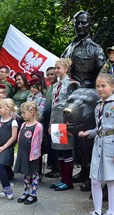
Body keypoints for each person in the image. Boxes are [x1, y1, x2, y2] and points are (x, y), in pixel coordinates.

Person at [79, 74, 114, 215]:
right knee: (95, 180)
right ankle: (97, 211)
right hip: (99, 144)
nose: (100, 89)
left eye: (103, 86)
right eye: (98, 86)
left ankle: (111, 213)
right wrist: (89, 133)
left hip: (112, 147)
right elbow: (100, 128)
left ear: (112, 86)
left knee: (110, 180)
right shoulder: (99, 105)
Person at [61, 10, 105, 88]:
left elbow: (102, 76)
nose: (80, 26)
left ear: (89, 25)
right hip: (66, 91)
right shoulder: (68, 49)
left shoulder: (97, 50)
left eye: (83, 23)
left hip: (87, 93)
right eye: (77, 23)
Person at [49, 58, 74, 191]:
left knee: (66, 150)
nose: (56, 70)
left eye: (58, 68)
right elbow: (54, 106)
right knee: (59, 150)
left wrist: (70, 124)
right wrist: (50, 124)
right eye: (55, 67)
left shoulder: (72, 84)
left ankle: (68, 181)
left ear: (66, 69)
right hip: (56, 119)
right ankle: (62, 179)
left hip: (65, 119)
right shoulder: (55, 86)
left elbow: (74, 106)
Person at [14, 102, 43, 205]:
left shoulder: (38, 126)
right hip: (23, 153)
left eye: (24, 112)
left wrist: (35, 153)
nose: (22, 115)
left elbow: (38, 141)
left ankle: (33, 194)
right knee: (26, 173)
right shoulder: (23, 124)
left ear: (31, 112)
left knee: (34, 174)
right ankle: (26, 191)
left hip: (32, 155)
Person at [0, 98, 18, 200]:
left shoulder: (13, 122)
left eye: (0, 107)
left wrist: (4, 147)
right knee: (3, 168)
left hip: (6, 148)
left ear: (8, 108)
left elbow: (13, 137)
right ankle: (5, 187)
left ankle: (7, 188)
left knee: (0, 165)